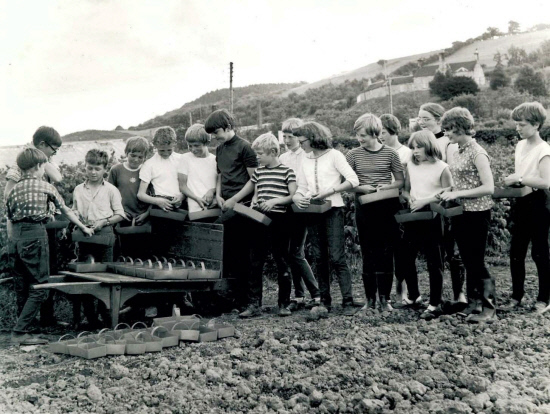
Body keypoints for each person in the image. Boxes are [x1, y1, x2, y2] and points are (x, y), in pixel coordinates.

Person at [7, 148, 92, 344]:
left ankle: (27, 329)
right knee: (41, 286)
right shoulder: (45, 186)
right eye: (44, 165)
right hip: (34, 235)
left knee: (23, 286)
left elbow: (10, 218)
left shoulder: (14, 190)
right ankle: (19, 332)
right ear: (38, 166)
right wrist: (84, 228)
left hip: (16, 239)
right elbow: (67, 211)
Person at [292, 121, 360, 315]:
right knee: (319, 257)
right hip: (313, 210)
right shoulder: (305, 158)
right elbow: (302, 186)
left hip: (333, 209)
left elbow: (353, 180)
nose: (300, 144)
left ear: (313, 138)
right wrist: (299, 197)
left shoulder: (334, 155)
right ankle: (325, 301)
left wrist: (330, 190)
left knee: (337, 256)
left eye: (302, 140)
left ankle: (347, 301)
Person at [229, 133, 297, 317]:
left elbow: (293, 196)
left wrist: (275, 202)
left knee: (281, 260)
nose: (257, 157)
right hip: (259, 221)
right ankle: (254, 305)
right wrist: (253, 201)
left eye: (260, 154)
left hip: (280, 221)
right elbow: (254, 190)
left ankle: (283, 303)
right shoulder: (259, 171)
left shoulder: (287, 172)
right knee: (255, 260)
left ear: (273, 152)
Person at [439, 107, 496, 322]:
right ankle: (473, 303)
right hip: (461, 211)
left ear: (460, 127)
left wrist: (460, 192)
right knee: (467, 259)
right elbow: (463, 182)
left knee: (477, 261)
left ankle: (490, 308)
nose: (446, 134)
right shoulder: (459, 151)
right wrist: (451, 191)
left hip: (478, 212)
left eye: (449, 130)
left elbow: (488, 187)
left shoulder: (478, 152)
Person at [4, 126, 64, 328]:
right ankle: (28, 324)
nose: (54, 154)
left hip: (40, 225)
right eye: (53, 150)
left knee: (44, 272)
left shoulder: (41, 161)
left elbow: (57, 177)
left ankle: (46, 320)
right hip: (29, 226)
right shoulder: (23, 163)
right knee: (32, 279)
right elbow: (7, 194)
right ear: (41, 145)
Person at [345, 113, 404, 312]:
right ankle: (369, 299)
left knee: (386, 252)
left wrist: (385, 186)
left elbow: (399, 181)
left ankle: (385, 299)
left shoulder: (390, 153)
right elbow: (346, 184)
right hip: (364, 207)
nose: (359, 139)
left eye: (363, 135)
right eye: (357, 135)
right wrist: (362, 188)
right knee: (368, 252)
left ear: (375, 133)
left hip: (386, 206)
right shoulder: (352, 155)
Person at [204, 109, 258, 311]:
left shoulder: (245, 147)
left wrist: (235, 199)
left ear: (228, 127)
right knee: (229, 253)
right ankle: (233, 298)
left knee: (243, 254)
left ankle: (246, 300)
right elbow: (219, 175)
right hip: (225, 204)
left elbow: (254, 179)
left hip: (242, 206)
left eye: (216, 131)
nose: (214, 136)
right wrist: (218, 195)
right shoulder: (219, 149)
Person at [501, 102, 550, 314]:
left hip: (539, 203)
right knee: (516, 252)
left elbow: (546, 182)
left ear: (536, 124)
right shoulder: (520, 146)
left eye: (522, 124)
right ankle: (516, 296)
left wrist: (520, 177)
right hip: (521, 201)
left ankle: (543, 300)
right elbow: (523, 177)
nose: (517, 128)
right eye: (516, 124)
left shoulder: (544, 150)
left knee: (539, 253)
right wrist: (513, 181)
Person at [418, 103, 467, 308]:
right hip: (430, 200)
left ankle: (459, 293)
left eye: (426, 119)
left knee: (453, 249)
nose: (421, 123)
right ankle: (436, 297)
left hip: (449, 198)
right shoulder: (420, 141)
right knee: (435, 250)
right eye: (419, 118)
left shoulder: (449, 142)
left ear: (438, 120)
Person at [401, 131, 452, 319]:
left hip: (433, 217)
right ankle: (414, 297)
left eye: (418, 147)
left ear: (429, 146)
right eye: (412, 147)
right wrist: (410, 197)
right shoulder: (411, 166)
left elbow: (448, 191)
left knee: (434, 262)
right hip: (414, 216)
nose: (414, 151)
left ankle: (434, 304)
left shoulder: (442, 167)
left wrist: (426, 201)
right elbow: (406, 190)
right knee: (406, 258)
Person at [73, 149, 126, 327]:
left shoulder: (111, 190)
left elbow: (120, 214)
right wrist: (76, 220)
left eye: (97, 168)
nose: (93, 172)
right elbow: (75, 210)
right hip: (85, 236)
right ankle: (89, 318)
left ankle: (108, 318)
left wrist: (103, 222)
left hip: (105, 237)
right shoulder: (78, 190)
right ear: (84, 167)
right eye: (90, 168)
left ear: (105, 169)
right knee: (85, 277)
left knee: (106, 278)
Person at [279, 118, 321, 310]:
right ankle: (299, 295)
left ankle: (316, 293)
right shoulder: (283, 158)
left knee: (296, 251)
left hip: (302, 207)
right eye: (285, 136)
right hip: (287, 208)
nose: (287, 140)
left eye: (291, 136)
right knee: (290, 251)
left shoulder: (307, 155)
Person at [379, 113, 413, 307]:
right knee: (386, 249)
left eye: (383, 132)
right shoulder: (378, 152)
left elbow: (408, 181)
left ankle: (403, 288)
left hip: (400, 203)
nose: (380, 137)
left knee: (402, 248)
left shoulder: (406, 153)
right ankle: (386, 293)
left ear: (393, 131)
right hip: (382, 203)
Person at [107, 136, 151, 258]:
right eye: (133, 155)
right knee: (123, 253)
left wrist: (146, 214)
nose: (136, 159)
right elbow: (108, 194)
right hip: (122, 217)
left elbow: (153, 195)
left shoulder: (148, 170)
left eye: (140, 157)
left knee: (141, 255)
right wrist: (118, 213)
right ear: (126, 153)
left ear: (145, 157)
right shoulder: (116, 170)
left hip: (142, 219)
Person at [138, 126, 184, 211]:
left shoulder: (182, 159)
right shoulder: (149, 164)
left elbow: (189, 183)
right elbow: (141, 194)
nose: (166, 153)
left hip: (181, 203)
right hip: (160, 206)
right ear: (154, 145)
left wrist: (182, 196)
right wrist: (157, 201)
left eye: (169, 150)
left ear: (175, 143)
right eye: (162, 150)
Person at [178, 124, 217, 212]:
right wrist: (196, 198)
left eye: (196, 145)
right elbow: (182, 186)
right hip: (195, 208)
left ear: (207, 143)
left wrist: (212, 191)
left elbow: (219, 183)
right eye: (190, 146)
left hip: (214, 206)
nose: (193, 149)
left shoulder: (215, 160)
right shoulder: (185, 158)